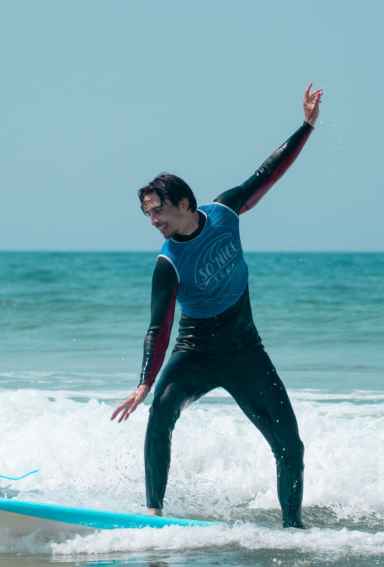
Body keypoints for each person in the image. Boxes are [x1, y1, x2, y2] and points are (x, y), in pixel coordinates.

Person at [111, 83, 323, 528]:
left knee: (290, 444)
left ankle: (294, 528)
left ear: (185, 203)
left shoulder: (225, 212)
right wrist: (145, 381)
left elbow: (266, 174)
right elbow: (159, 327)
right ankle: (153, 515)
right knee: (160, 414)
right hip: (195, 353)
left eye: (159, 210)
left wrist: (305, 127)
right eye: (147, 214)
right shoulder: (168, 263)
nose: (154, 221)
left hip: (246, 350)